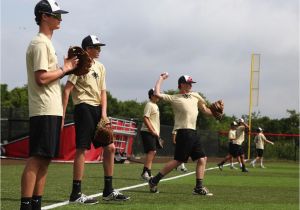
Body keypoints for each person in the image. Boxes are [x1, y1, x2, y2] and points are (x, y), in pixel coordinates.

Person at [20, 1, 78, 210]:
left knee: (45, 159)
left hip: (51, 109)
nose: (60, 18)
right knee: (37, 158)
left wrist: (67, 68)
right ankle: (26, 206)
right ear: (44, 16)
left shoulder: (47, 44)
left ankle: (36, 204)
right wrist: (65, 69)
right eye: (56, 15)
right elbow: (41, 78)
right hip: (43, 108)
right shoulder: (40, 43)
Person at [62, 35, 129, 203]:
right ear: (87, 49)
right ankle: (75, 194)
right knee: (82, 149)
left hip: (98, 110)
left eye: (99, 47)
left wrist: (104, 114)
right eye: (96, 47)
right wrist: (62, 115)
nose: (99, 50)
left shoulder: (101, 67)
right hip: (83, 107)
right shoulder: (79, 65)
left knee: (111, 148)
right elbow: (67, 90)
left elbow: (103, 92)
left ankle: (108, 191)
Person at [148, 73, 224, 196]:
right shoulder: (175, 97)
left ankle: (198, 188)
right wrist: (161, 79)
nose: (190, 85)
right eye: (188, 83)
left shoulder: (196, 95)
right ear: (181, 85)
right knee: (178, 161)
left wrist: (216, 112)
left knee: (202, 158)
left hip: (193, 132)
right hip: (183, 132)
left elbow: (205, 111)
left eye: (191, 83)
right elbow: (156, 93)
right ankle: (154, 180)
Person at [140, 89, 161, 181]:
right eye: (156, 95)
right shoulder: (149, 104)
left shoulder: (155, 105)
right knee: (151, 151)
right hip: (147, 131)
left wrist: (156, 133)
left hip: (153, 132)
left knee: (153, 152)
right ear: (151, 96)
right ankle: (145, 173)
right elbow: (145, 118)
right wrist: (152, 130)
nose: (158, 96)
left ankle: (147, 172)